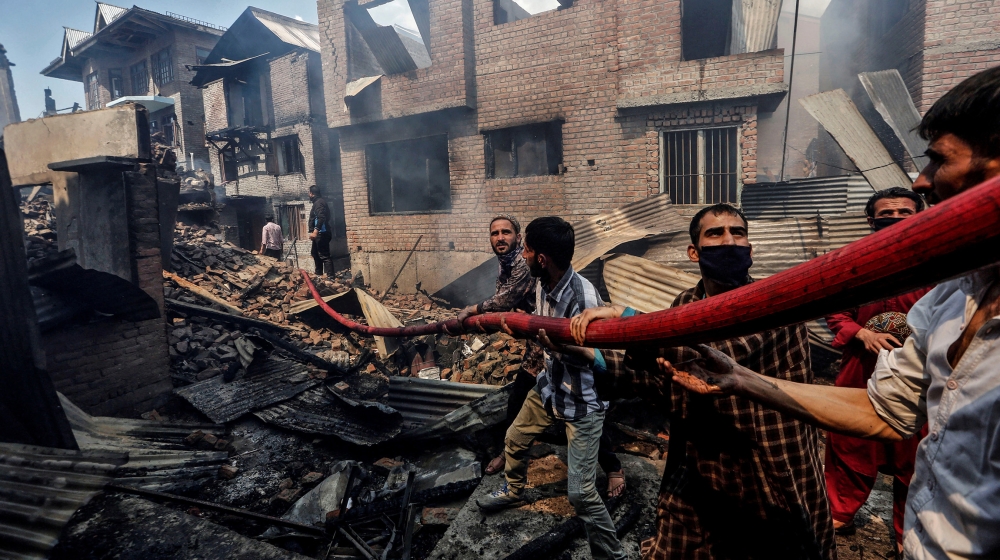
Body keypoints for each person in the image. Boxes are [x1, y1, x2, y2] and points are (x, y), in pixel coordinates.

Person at [659, 67, 1000, 559]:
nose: (922, 182)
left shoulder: (773, 302)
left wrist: (623, 325)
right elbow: (884, 409)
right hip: (864, 379)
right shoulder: (950, 297)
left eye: (939, 161)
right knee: (856, 458)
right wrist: (740, 377)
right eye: (715, 235)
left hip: (777, 456)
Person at [569, 204, 835, 559]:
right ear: (694, 252)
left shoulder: (774, 301)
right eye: (715, 233)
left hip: (768, 467)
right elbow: (670, 382)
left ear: (750, 249)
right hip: (703, 464)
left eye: (737, 233)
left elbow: (716, 354)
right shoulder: (685, 305)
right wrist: (590, 355)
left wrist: (627, 319)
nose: (729, 241)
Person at [476, 217, 627, 560]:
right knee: (513, 439)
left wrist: (560, 347)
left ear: (540, 257)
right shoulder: (542, 280)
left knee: (582, 495)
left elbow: (601, 360)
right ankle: (514, 491)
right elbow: (540, 329)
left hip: (582, 402)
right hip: (549, 387)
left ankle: (613, 556)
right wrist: (527, 333)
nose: (522, 253)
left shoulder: (583, 298)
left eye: (526, 249)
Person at [823, 187, 931, 552]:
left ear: (920, 215)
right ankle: (839, 511)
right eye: (887, 214)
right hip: (860, 369)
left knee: (915, 454)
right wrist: (860, 332)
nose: (897, 219)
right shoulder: (853, 263)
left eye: (905, 212)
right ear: (870, 221)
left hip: (918, 375)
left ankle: (907, 533)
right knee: (848, 442)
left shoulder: (937, 264)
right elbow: (836, 310)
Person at [307, 185, 333, 277]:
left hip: (322, 233)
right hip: (320, 233)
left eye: (309, 193)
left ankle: (331, 277)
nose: (309, 195)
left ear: (312, 193)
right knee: (315, 253)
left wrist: (315, 231)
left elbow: (321, 217)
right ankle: (318, 274)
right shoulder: (318, 202)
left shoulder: (319, 203)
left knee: (324, 255)